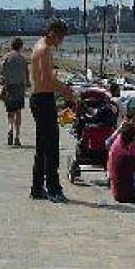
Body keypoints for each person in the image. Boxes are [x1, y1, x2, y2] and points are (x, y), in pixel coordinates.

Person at [29, 19, 75, 203]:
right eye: (61, 37)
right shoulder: (44, 49)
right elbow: (48, 80)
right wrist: (67, 91)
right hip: (43, 100)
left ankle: (37, 187)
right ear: (53, 33)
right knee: (51, 148)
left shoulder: (39, 45)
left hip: (39, 98)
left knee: (42, 147)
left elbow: (44, 78)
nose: (61, 41)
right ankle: (54, 189)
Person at [0, 37, 30, 146]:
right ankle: (17, 136)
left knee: (10, 112)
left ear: (11, 46)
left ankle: (10, 129)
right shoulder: (22, 58)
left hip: (9, 87)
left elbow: (2, 73)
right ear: (20, 47)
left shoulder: (6, 57)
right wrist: (28, 85)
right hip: (19, 88)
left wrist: (3, 84)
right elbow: (27, 76)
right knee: (18, 112)